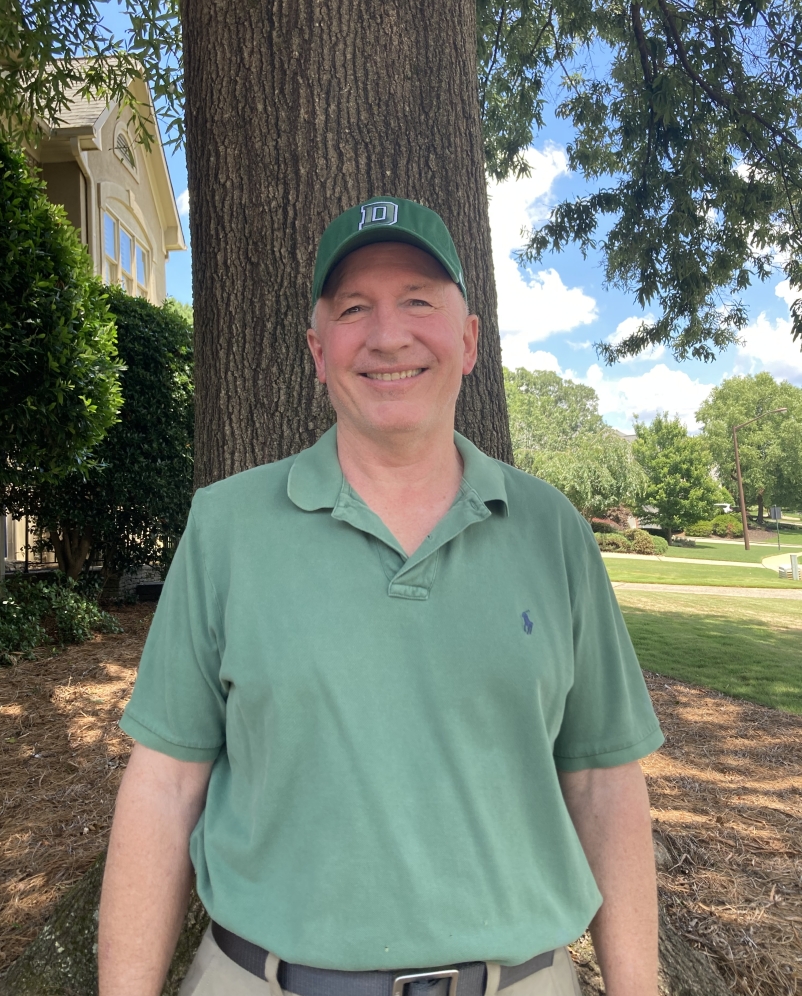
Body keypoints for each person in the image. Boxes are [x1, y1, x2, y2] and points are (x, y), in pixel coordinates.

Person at [98, 197, 664, 996]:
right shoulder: (225, 527)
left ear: (468, 342)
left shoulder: (554, 532)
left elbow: (604, 783)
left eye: (419, 303)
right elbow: (164, 785)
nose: (389, 335)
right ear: (317, 350)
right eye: (355, 308)